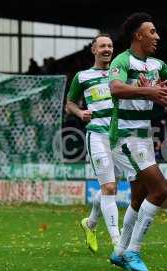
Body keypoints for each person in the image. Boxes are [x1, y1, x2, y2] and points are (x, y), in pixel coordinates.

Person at [108, 12, 167, 271]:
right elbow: (115, 87)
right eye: (152, 32)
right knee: (159, 190)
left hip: (143, 137)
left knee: (138, 196)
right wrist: (150, 90)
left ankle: (119, 251)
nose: (157, 37)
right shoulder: (122, 61)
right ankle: (133, 252)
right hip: (124, 137)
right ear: (138, 35)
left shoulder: (156, 65)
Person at [65, 34, 126, 253]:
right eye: (102, 46)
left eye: (110, 45)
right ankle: (117, 242)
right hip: (97, 135)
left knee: (110, 186)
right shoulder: (82, 76)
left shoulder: (119, 73)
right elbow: (70, 103)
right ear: (94, 50)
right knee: (109, 187)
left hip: (119, 135)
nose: (107, 49)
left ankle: (90, 223)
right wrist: (80, 112)